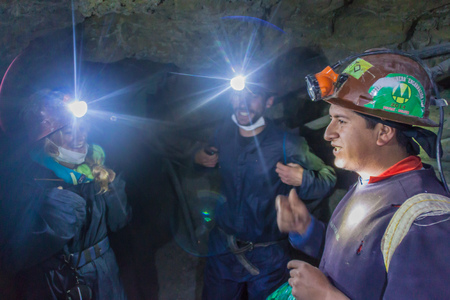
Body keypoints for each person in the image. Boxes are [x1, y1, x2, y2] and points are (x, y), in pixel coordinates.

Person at [276, 50, 450, 299]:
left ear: (384, 132)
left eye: (341, 121)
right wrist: (307, 231)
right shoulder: (370, 183)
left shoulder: (426, 222)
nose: (328, 134)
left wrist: (326, 296)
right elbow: (360, 262)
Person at [195, 76, 337, 299]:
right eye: (238, 96)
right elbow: (207, 162)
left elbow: (328, 179)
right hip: (223, 249)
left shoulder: (286, 143)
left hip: (268, 255)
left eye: (253, 97)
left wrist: (303, 178)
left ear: (269, 102)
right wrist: (199, 159)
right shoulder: (223, 133)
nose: (243, 103)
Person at [0, 89, 131, 299]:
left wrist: (115, 190)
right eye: (69, 131)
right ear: (47, 137)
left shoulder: (96, 167)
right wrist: (56, 217)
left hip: (106, 276)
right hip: (55, 283)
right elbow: (12, 257)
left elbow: (119, 222)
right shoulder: (29, 180)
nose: (80, 137)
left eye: (83, 128)